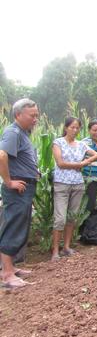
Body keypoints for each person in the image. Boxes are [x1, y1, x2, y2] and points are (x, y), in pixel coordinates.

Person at [0, 99, 39, 288]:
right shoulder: (13, 132)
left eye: (36, 115)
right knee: (13, 226)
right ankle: (7, 274)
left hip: (25, 187)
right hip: (17, 188)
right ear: (18, 115)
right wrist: (8, 182)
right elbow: (1, 155)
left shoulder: (22, 133)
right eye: (32, 116)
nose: (35, 119)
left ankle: (11, 267)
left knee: (19, 225)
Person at [51, 117, 97, 260]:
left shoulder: (81, 144)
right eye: (72, 127)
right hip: (61, 183)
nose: (75, 130)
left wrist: (86, 161)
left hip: (77, 184)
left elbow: (96, 155)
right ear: (66, 128)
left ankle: (66, 247)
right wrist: (80, 165)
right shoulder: (58, 142)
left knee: (72, 217)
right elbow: (60, 163)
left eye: (77, 127)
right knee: (60, 218)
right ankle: (55, 250)